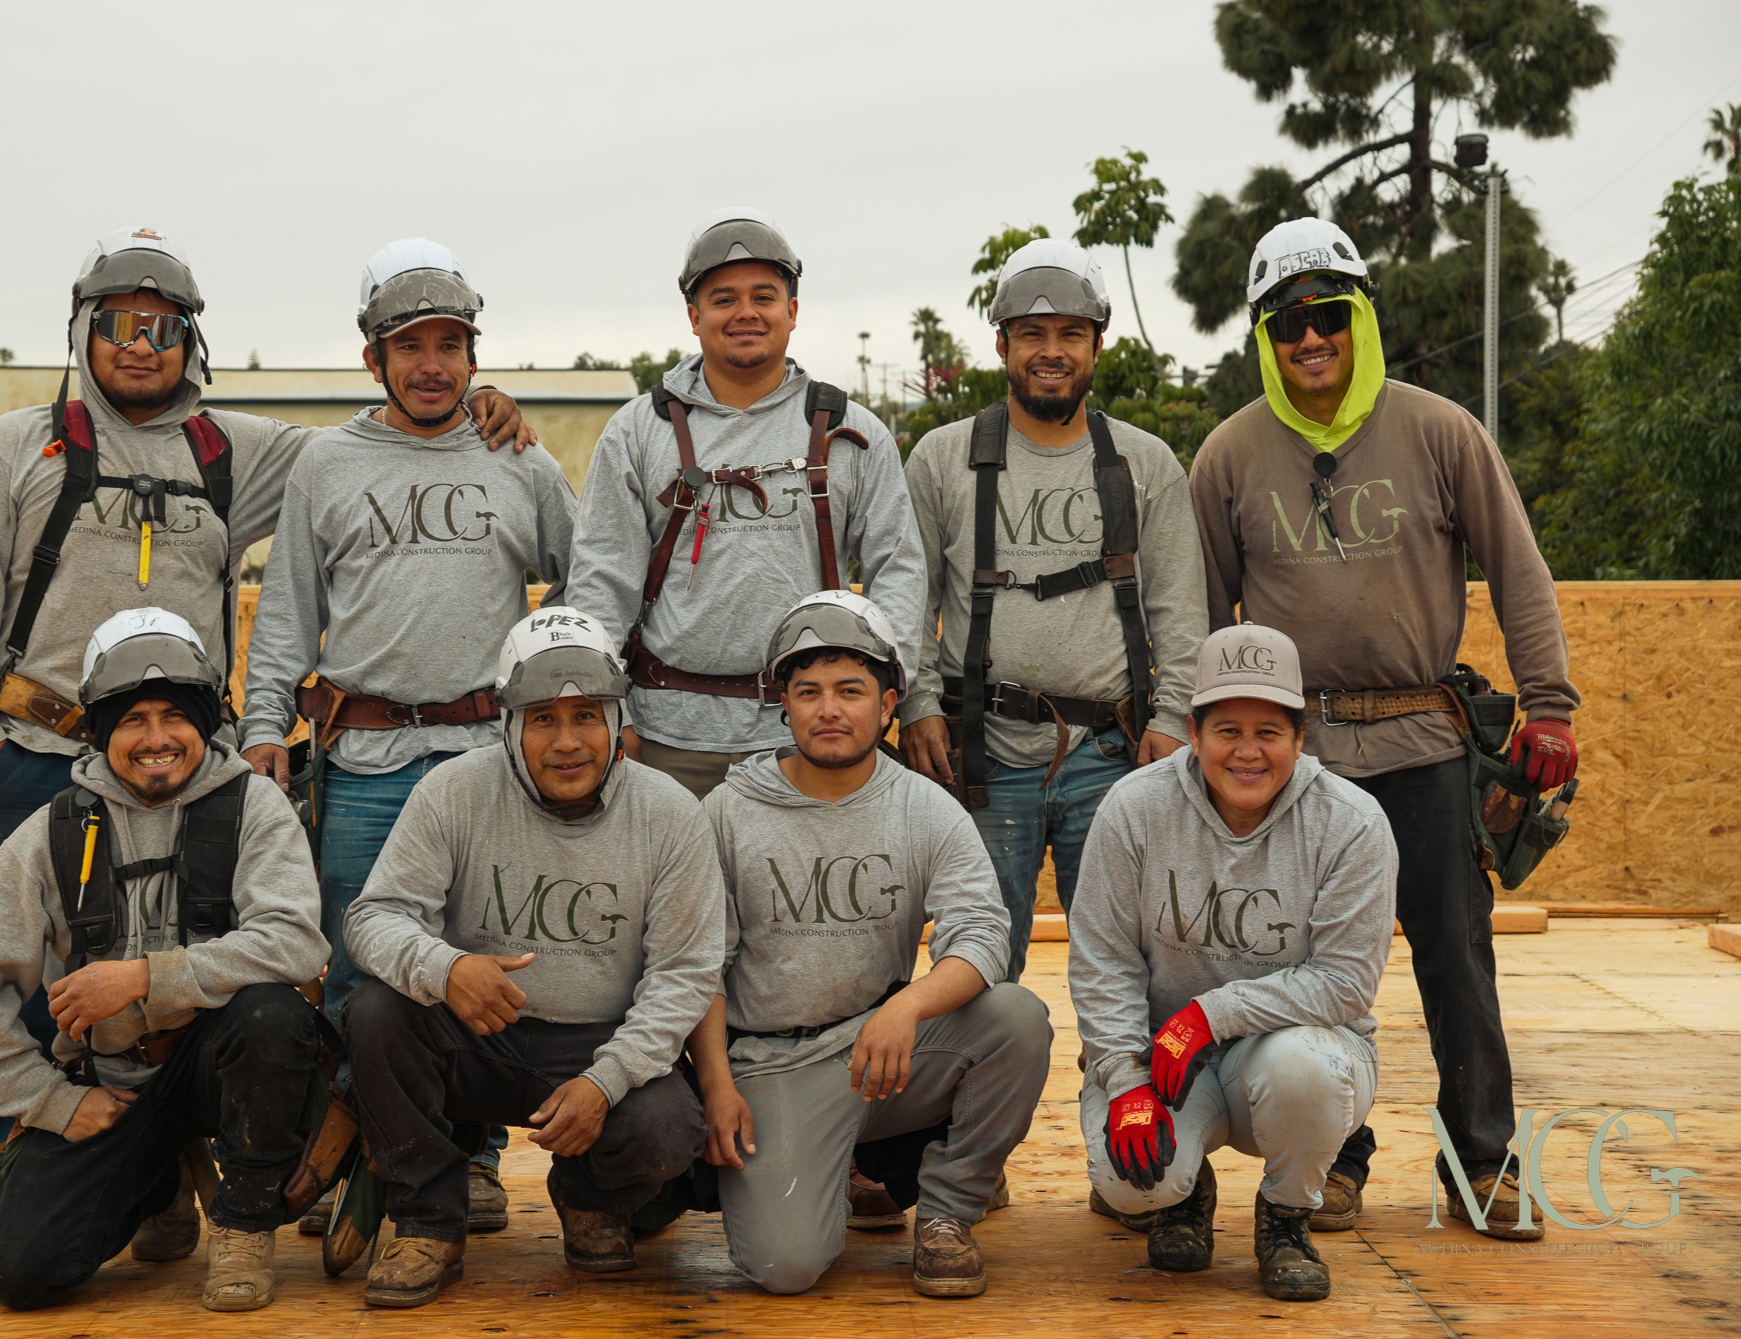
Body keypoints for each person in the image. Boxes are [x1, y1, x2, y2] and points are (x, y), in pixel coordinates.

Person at [0, 226, 529, 1155]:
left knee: (182, 975)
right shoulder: (13, 448)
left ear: (191, 342)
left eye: (164, 328)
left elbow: (381, 444)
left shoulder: (231, 452)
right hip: (39, 756)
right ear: (82, 331)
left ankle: (164, 1171)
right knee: (30, 978)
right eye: (120, 323)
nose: (141, 344)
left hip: (182, 767)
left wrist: (474, 402)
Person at [1189, 218, 1580, 1240]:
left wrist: (1549, 704)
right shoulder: (1229, 456)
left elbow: (1519, 568)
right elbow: (1203, 619)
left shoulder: (1441, 431)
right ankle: (1332, 1160)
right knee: (1302, 965)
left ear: (1360, 316)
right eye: (1287, 324)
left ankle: (1480, 1162)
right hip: (1297, 759)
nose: (1310, 338)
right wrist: (1205, 740)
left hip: (1424, 742)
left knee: (1456, 957)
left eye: (1328, 314)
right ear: (1266, 338)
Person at [240, 239, 576, 1232]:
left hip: (486, 761)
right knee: (361, 963)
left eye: (451, 345)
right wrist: (264, 726)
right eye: (411, 346)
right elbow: (288, 610)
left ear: (474, 355)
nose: (432, 364)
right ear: (372, 357)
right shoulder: (328, 464)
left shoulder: (517, 458)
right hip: (365, 758)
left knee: (481, 957)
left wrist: (565, 704)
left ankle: (468, 1160)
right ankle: (368, 1161)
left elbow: (591, 572)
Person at [0, 608, 329, 1312]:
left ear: (204, 721)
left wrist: (144, 977)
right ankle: (157, 1179)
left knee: (271, 1017)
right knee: (25, 1274)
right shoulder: (51, 830)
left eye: (174, 716)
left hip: (220, 1068)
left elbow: (295, 941)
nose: (156, 739)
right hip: (112, 1087)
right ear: (99, 729)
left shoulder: (255, 807)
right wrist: (52, 1101)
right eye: (132, 720)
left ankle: (243, 1222)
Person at [340, 610, 723, 1309]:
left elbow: (686, 973)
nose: (567, 741)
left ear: (617, 719)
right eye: (543, 717)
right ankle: (427, 1221)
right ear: (508, 724)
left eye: (587, 716)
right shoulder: (451, 790)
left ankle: (587, 1196)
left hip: (597, 1041)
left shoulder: (670, 813)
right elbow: (371, 918)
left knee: (668, 1130)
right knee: (375, 1011)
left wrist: (605, 1081)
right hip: (477, 1034)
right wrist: (446, 967)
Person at [689, 591, 1050, 1297]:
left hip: (880, 1053)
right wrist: (718, 1086)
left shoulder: (924, 806)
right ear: (784, 705)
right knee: (786, 1267)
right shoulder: (727, 813)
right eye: (809, 692)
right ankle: (827, 1173)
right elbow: (697, 964)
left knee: (1016, 1019)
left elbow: (982, 932)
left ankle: (947, 1212)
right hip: (772, 1063)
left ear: (888, 705)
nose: (830, 709)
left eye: (850, 691)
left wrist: (907, 1006)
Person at [899, 238, 1207, 981]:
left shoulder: (1145, 464)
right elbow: (907, 598)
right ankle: (979, 1065)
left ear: (1098, 345)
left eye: (1071, 333)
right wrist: (915, 703)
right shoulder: (941, 459)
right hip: (982, 754)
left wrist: (1172, 720)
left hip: (1112, 757)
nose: (1051, 351)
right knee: (973, 963)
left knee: (1129, 965)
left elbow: (1181, 612)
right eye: (1031, 333)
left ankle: (1128, 1069)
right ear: (1001, 343)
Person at [1068, 623, 1396, 1303]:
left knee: (1303, 1067)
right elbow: (1102, 960)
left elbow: (1345, 983)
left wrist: (1210, 1014)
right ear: (1193, 733)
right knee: (1131, 1184)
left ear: (1300, 738)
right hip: (1163, 1057)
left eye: (1269, 731)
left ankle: (1286, 1215)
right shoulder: (1133, 808)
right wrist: (1125, 1081)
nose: (1248, 751)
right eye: (1227, 730)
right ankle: (1184, 1193)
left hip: (1289, 1054)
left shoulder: (1351, 821)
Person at [566, 208, 926, 800]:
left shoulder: (852, 431)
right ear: (694, 316)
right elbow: (602, 580)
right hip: (666, 739)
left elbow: (899, 568)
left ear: (792, 310)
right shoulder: (637, 432)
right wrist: (607, 709)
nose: (746, 313)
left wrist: (886, 690)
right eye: (723, 299)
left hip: (807, 737)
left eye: (764, 296)